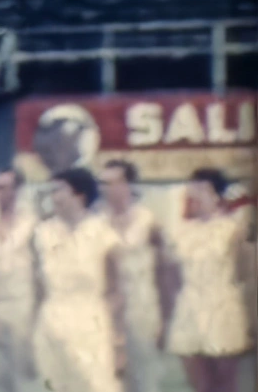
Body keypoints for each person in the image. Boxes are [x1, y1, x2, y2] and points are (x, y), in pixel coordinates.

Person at [31, 167, 126, 392]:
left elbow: (115, 292)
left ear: (79, 195)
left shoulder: (104, 234)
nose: (53, 197)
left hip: (91, 324)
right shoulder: (42, 234)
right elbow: (38, 287)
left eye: (59, 190)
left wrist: (119, 342)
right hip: (51, 323)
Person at [164, 168, 254, 392]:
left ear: (217, 195)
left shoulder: (233, 230)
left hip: (222, 308)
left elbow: (246, 273)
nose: (196, 195)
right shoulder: (180, 232)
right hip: (189, 310)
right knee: (200, 386)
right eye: (193, 189)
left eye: (203, 189)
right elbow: (173, 277)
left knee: (224, 386)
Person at [97, 160, 166, 392]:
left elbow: (163, 269)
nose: (108, 189)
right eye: (104, 183)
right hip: (107, 311)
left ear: (128, 184)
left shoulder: (148, 220)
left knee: (145, 378)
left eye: (113, 182)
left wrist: (166, 316)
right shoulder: (96, 223)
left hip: (143, 308)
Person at [0, 167, 38, 392]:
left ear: (16, 190)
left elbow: (41, 275)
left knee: (24, 378)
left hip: (24, 309)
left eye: (3, 188)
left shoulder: (32, 226)